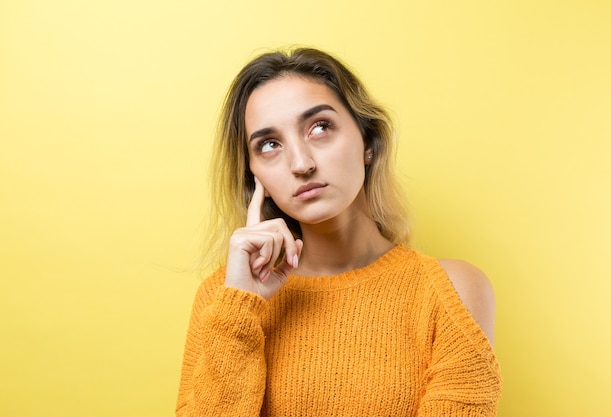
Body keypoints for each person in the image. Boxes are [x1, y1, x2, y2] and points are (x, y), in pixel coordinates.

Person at [176, 47, 502, 416]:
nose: (301, 163)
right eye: (269, 145)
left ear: (367, 142)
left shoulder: (451, 290)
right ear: (254, 175)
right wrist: (239, 310)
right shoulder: (225, 299)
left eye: (320, 127)